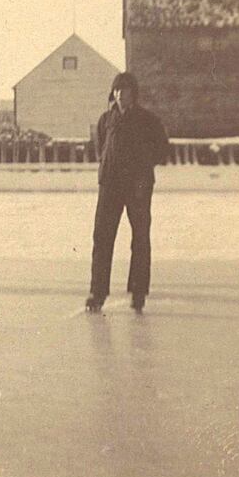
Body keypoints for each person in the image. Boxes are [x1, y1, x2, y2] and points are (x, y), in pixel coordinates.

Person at [86, 72, 169, 314]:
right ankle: (97, 292)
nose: (121, 94)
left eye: (126, 90)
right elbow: (101, 148)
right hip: (110, 185)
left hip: (138, 187)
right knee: (102, 237)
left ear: (134, 94)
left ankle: (138, 292)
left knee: (140, 238)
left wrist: (142, 169)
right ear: (113, 94)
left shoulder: (148, 120)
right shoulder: (106, 120)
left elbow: (162, 150)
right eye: (117, 90)